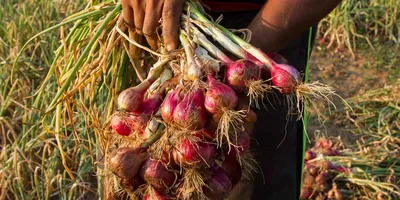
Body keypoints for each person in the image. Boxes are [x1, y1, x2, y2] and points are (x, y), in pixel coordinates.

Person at [121, 0, 342, 199]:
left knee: (253, 174)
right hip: (147, 15)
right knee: (130, 161)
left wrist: (241, 63)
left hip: (271, 17)